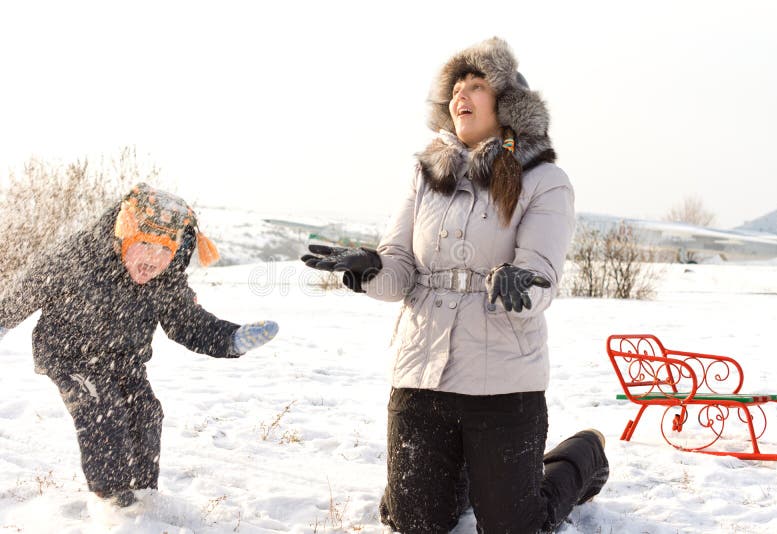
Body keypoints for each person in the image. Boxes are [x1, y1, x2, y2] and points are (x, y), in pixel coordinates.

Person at [302, 37, 608, 533]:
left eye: (476, 85)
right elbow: (400, 267)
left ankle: (583, 454)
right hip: (422, 374)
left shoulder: (545, 179)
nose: (460, 96)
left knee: (515, 524)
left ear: (507, 103)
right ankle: (462, 472)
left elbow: (542, 277)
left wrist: (520, 283)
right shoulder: (424, 175)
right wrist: (370, 269)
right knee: (413, 520)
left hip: (504, 380)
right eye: (455, 88)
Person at [0, 183, 278, 508]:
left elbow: (186, 321)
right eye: (144, 244)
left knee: (146, 415)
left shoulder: (165, 279)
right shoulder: (77, 256)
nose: (153, 259)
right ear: (124, 233)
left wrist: (230, 339)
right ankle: (115, 506)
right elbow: (29, 287)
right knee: (105, 415)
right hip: (69, 356)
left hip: (124, 360)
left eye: (164, 251)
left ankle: (145, 498)